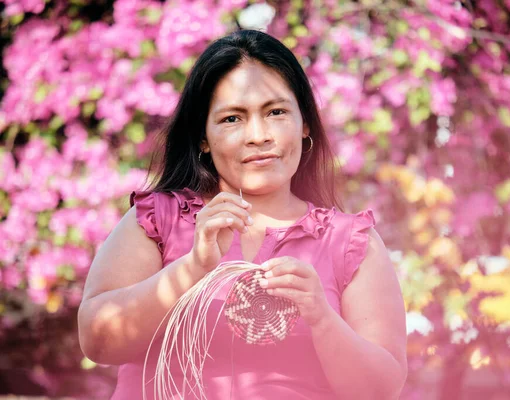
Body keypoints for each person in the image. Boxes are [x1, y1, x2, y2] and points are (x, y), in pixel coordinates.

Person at [78, 29, 407, 400]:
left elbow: (381, 389)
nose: (257, 135)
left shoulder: (351, 243)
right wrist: (194, 267)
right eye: (232, 118)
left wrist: (322, 317)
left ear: (305, 124)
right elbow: (98, 342)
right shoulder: (158, 220)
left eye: (276, 112)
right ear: (203, 136)